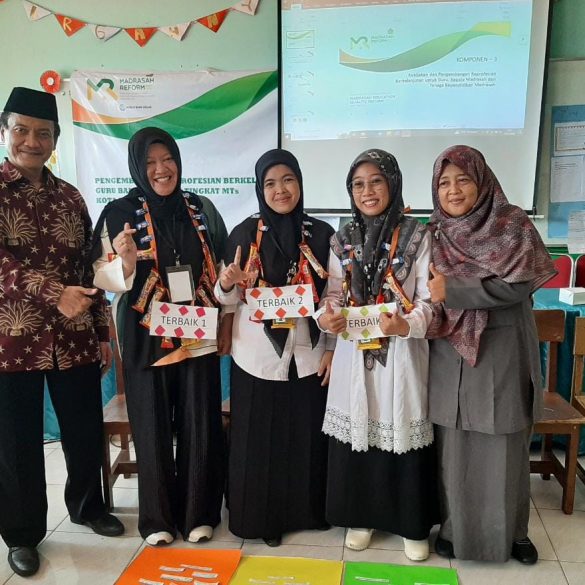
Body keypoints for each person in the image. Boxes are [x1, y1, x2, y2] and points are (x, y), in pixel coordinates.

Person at [0, 87, 124, 578]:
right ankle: (22, 534)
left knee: (83, 429)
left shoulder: (70, 197)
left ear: (54, 140)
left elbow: (90, 268)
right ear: (5, 132)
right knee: (17, 444)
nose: (32, 141)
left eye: (43, 133)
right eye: (21, 130)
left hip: (74, 339)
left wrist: (102, 331)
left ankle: (89, 507)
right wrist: (54, 293)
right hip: (12, 341)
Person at [91, 127, 227, 546]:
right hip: (144, 334)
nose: (161, 169)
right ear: (137, 167)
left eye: (167, 159)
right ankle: (157, 519)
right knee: (150, 424)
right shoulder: (117, 213)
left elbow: (223, 266)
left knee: (200, 419)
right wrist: (126, 264)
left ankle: (199, 512)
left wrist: (227, 315)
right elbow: (100, 276)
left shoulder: (201, 208)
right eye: (150, 162)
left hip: (197, 330)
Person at [426, 145, 556, 564]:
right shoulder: (434, 233)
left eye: (463, 179)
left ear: (482, 182)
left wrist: (454, 290)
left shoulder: (512, 224)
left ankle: (514, 534)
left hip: (502, 349)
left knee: (505, 443)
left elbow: (518, 285)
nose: (453, 190)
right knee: (454, 445)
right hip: (450, 352)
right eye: (444, 183)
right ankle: (453, 531)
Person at [316, 149, 438, 562]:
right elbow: (332, 294)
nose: (367, 192)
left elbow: (429, 300)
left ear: (393, 183)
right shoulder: (342, 238)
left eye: (376, 181)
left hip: (402, 352)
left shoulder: (418, 235)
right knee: (360, 427)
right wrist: (327, 318)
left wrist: (406, 324)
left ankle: (410, 524)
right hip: (354, 353)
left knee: (399, 422)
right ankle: (361, 517)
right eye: (358, 185)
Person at [214, 149, 334, 546]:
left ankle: (308, 513)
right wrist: (228, 283)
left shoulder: (321, 234)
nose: (280, 190)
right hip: (257, 356)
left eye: (288, 180)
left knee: (305, 437)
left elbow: (334, 296)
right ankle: (262, 520)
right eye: (270, 183)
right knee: (259, 440)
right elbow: (224, 299)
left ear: (299, 182)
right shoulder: (244, 234)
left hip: (308, 353)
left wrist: (332, 347)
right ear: (259, 188)